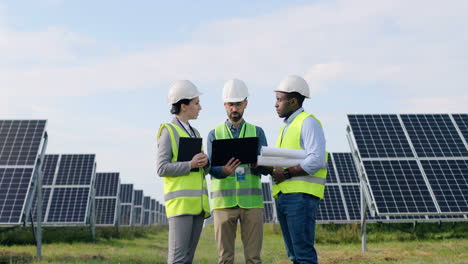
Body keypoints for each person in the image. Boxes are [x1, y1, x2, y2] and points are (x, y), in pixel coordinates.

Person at [207, 79, 269, 264]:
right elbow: (210, 168)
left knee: (253, 258)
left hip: (252, 203)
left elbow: (267, 167)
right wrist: (223, 171)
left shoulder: (257, 132)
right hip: (224, 204)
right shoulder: (214, 134)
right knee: (225, 258)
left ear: (246, 104)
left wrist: (258, 164)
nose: (235, 108)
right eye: (231, 104)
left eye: (238, 104)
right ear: (225, 105)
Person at [270, 75, 328, 264]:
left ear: (293, 101)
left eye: (280, 99)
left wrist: (286, 173)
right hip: (285, 196)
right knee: (295, 256)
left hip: (300, 198)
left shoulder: (308, 122)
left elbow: (316, 160)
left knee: (303, 255)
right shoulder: (286, 127)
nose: (276, 104)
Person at [156, 80, 211, 264]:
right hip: (180, 206)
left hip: (198, 206)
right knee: (178, 259)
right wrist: (190, 164)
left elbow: (200, 169)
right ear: (184, 106)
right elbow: (162, 168)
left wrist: (205, 162)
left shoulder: (194, 132)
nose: (200, 107)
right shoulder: (168, 131)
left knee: (188, 258)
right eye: (196, 103)